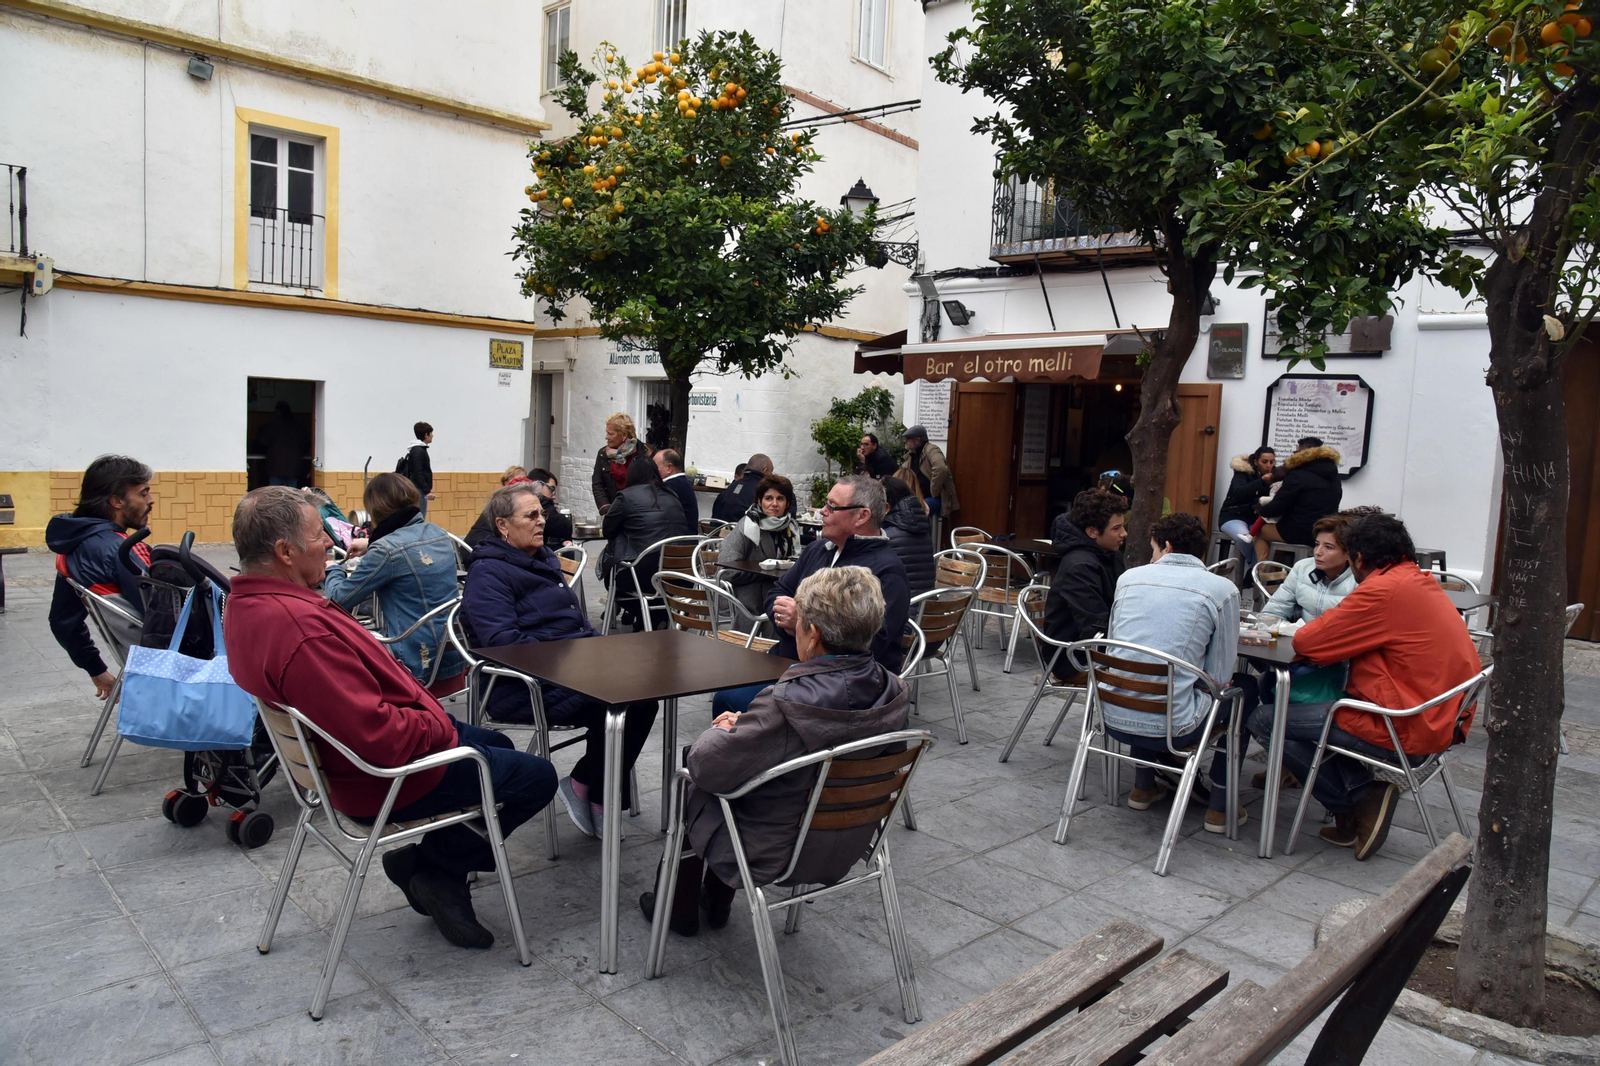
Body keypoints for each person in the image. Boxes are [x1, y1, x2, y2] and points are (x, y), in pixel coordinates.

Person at [223, 486, 558, 949]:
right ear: (284, 552)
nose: (331, 544)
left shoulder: (245, 604)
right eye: (320, 535)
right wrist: (436, 723)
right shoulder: (298, 629)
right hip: (381, 777)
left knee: (497, 747)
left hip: (360, 758)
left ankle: (432, 865)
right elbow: (377, 736)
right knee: (536, 776)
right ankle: (438, 870)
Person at [640, 566, 912, 936]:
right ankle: (712, 901)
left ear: (812, 635)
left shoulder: (787, 703)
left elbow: (707, 767)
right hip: (853, 841)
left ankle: (677, 907)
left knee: (695, 771)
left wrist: (722, 729)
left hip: (777, 850)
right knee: (748, 769)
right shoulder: (894, 690)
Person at [1247, 514, 1481, 860]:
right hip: (1438, 715)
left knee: (1267, 718)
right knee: (1305, 710)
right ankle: (1358, 802)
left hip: (1402, 722)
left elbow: (1310, 641)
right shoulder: (1417, 580)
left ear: (1357, 558)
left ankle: (1357, 799)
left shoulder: (1382, 590)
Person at [461, 483, 659, 842]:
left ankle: (588, 784)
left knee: (645, 692)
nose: (542, 521)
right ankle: (596, 791)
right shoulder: (488, 573)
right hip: (520, 685)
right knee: (621, 701)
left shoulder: (542, 560)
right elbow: (504, 645)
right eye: (531, 515)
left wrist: (602, 652)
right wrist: (577, 659)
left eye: (542, 513)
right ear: (503, 526)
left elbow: (574, 626)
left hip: (568, 671)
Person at [1100, 512, 1251, 832]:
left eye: (1153, 549)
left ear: (1166, 547)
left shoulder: (1129, 579)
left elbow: (1117, 647)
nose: (1152, 557)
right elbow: (1220, 677)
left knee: (1150, 675)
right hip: (1175, 727)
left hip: (1111, 713)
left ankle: (1143, 785)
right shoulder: (1222, 589)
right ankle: (1220, 807)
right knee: (1245, 690)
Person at [711, 476, 909, 717]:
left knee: (729, 702)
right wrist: (789, 625)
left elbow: (873, 644)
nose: (822, 512)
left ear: (862, 516)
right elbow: (777, 592)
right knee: (726, 693)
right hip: (791, 665)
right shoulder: (818, 550)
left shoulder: (886, 571)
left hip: (840, 686)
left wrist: (803, 621)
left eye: (832, 507)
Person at [323, 473, 465, 697]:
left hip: (415, 665)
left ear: (374, 511)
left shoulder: (386, 550)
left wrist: (332, 568)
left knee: (334, 655)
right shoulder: (439, 533)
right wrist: (371, 543)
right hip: (455, 657)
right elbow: (408, 549)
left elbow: (339, 600)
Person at [46, 455, 155, 699]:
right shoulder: (123, 550)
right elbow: (164, 618)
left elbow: (62, 621)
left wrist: (96, 669)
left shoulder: (75, 546)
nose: (151, 500)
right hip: (164, 659)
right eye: (143, 493)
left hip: (133, 654)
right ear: (117, 501)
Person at [1044, 488, 1129, 680]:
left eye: (1122, 526)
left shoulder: (1110, 554)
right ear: (1092, 532)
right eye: (1116, 529)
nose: (1124, 533)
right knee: (1156, 675)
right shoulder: (1080, 566)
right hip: (1073, 657)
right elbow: (1094, 626)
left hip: (1097, 645)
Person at [602, 455, 688, 630]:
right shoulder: (672, 495)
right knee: (651, 582)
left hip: (644, 574)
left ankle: (650, 619)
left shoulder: (626, 496)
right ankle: (654, 620)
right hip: (680, 574)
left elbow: (608, 530)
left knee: (613, 579)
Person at [717, 474, 802, 613]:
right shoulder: (747, 525)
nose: (774, 504)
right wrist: (766, 571)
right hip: (743, 595)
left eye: (780, 499)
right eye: (769, 498)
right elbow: (727, 572)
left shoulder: (791, 527)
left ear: (787, 504)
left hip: (777, 590)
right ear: (759, 501)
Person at [1255, 437, 1342, 561]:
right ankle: (1277, 572)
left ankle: (1261, 574)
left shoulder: (1298, 474)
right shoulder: (1333, 475)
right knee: (1279, 539)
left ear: (1303, 453)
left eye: (1296, 452)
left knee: (1259, 531)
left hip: (1299, 531)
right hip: (1322, 531)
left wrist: (1261, 510)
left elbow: (1279, 506)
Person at [1217, 446, 1275, 559]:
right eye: (1264, 462)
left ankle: (1256, 571)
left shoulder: (1275, 475)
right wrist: (1261, 481)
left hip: (1255, 518)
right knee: (1245, 539)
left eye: (1271, 462)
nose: (1268, 466)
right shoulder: (1242, 473)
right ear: (1256, 461)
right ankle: (1254, 568)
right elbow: (1240, 492)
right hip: (1233, 516)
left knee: (1265, 541)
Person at [881, 476, 934, 596]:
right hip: (928, 605)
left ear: (886, 506)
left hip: (902, 609)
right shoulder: (923, 528)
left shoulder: (886, 536)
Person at [899, 426, 959, 518]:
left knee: (915, 510)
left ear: (917, 440)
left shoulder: (932, 450)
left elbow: (941, 468)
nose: (904, 441)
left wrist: (934, 491)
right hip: (918, 496)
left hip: (935, 498)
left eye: (907, 439)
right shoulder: (911, 455)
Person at [464, 466, 530, 548]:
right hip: (479, 548)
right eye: (519, 480)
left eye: (525, 479)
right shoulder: (502, 504)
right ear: (507, 483)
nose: (524, 483)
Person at [591, 412, 642, 514]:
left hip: (638, 511)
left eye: (610, 434)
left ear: (624, 435)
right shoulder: (603, 454)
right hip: (613, 510)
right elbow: (598, 484)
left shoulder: (643, 452)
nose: (606, 437)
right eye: (607, 433)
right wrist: (606, 509)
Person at [257, 401, 307, 487]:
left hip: (275, 467)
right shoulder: (298, 427)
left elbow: (262, 442)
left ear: (277, 411)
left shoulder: (271, 426)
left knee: (274, 495)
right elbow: (306, 444)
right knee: (291, 495)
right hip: (294, 467)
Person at [712, 453, 773, 523]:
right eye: (771, 471)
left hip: (725, 530)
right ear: (765, 471)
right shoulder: (763, 488)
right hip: (748, 531)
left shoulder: (733, 485)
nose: (772, 474)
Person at [654, 448, 700, 535]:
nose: (653, 470)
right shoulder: (682, 482)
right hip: (688, 539)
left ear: (669, 468)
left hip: (677, 542)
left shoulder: (670, 486)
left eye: (655, 467)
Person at [399, 422, 436, 517]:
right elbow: (418, 472)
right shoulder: (418, 451)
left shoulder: (418, 449)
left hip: (418, 489)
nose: (432, 435)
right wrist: (426, 491)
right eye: (431, 433)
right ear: (426, 435)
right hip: (418, 490)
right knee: (419, 517)